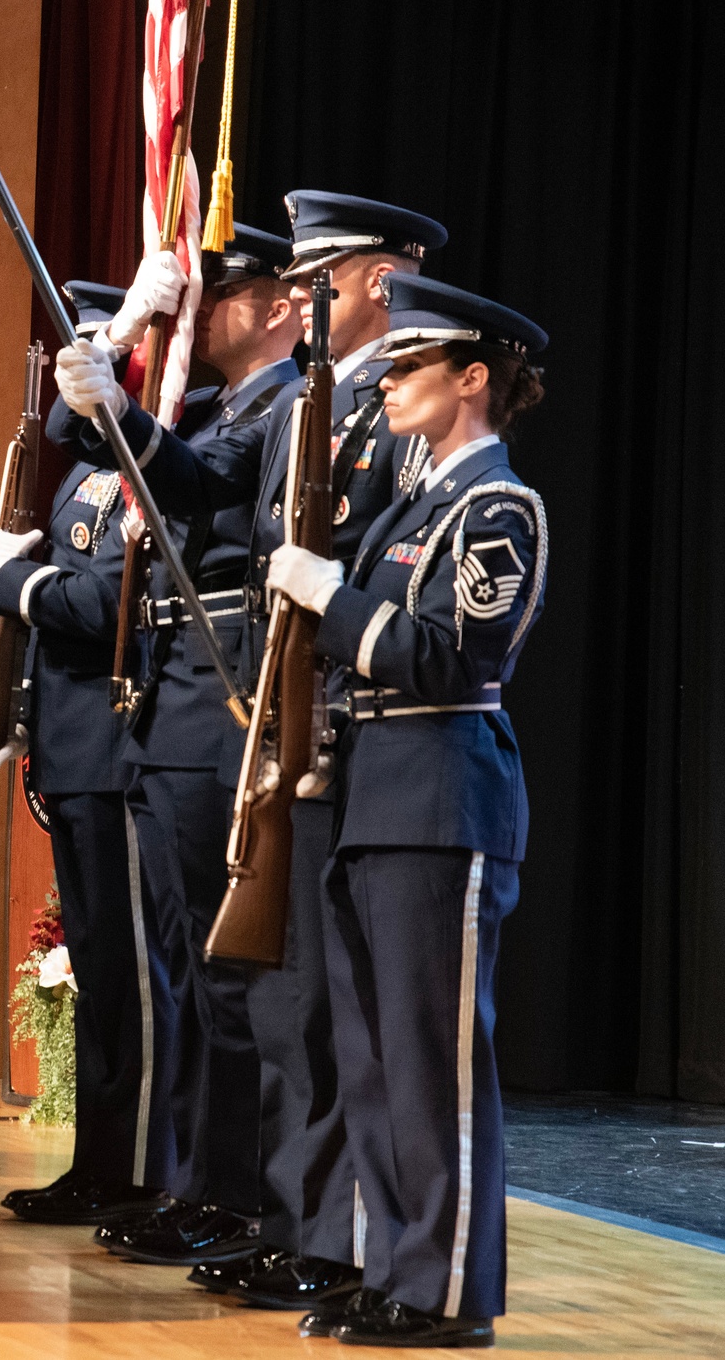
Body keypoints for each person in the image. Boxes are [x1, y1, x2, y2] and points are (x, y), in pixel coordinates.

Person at [52, 193, 449, 1310]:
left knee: (314, 1010)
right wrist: (111, 413)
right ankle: (284, 1217)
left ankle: (322, 1230)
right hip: (290, 720)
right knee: (274, 1003)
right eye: (303, 282)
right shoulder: (306, 405)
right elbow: (206, 485)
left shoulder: (387, 410)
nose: (305, 297)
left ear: (381, 278)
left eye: (325, 279)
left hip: (339, 722)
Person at [265, 271, 547, 1347]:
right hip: (373, 796)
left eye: (409, 367)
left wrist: (328, 600)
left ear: (471, 379)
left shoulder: (497, 508)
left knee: (435, 1067)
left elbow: (448, 650)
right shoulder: (415, 504)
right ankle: (393, 1269)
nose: (386, 384)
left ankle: (445, 1295)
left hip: (441, 796)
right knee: (376, 1060)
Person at [59, 226, 304, 1267]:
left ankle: (242, 1195)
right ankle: (202, 1182)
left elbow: (191, 481)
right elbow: (106, 453)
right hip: (171, 697)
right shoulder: (222, 405)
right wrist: (115, 347)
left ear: (283, 308)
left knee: (228, 965)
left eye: (226, 292)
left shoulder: (288, 407)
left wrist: (115, 395)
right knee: (191, 966)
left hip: (225, 696)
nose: (202, 309)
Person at [0, 281, 176, 1225]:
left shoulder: (153, 458)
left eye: (106, 341)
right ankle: (100, 1164)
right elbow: (64, 419)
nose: (80, 361)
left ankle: (135, 1171)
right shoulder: (90, 465)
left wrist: (12, 576)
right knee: (100, 975)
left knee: (132, 980)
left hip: (115, 743)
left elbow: (105, 607)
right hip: (69, 746)